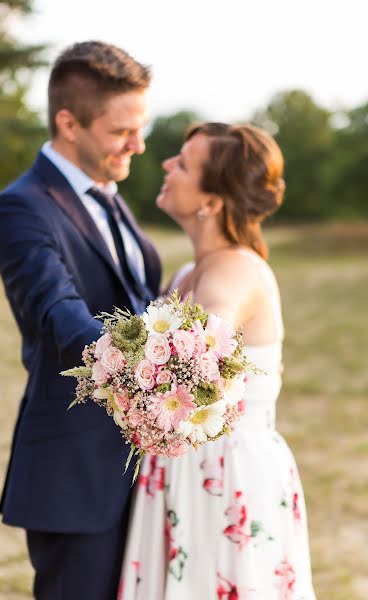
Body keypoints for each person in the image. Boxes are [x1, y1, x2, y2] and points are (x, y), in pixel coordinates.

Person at [0, 41, 161, 600]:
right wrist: (159, 374)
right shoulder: (21, 207)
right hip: (77, 468)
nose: (137, 144)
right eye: (120, 131)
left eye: (141, 127)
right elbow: (60, 313)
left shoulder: (110, 197)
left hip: (143, 464)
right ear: (68, 122)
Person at [119, 123, 316, 599]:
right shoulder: (190, 270)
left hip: (224, 476)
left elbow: (200, 349)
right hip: (183, 467)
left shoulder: (233, 271)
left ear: (213, 200)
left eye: (183, 163)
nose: (167, 165)